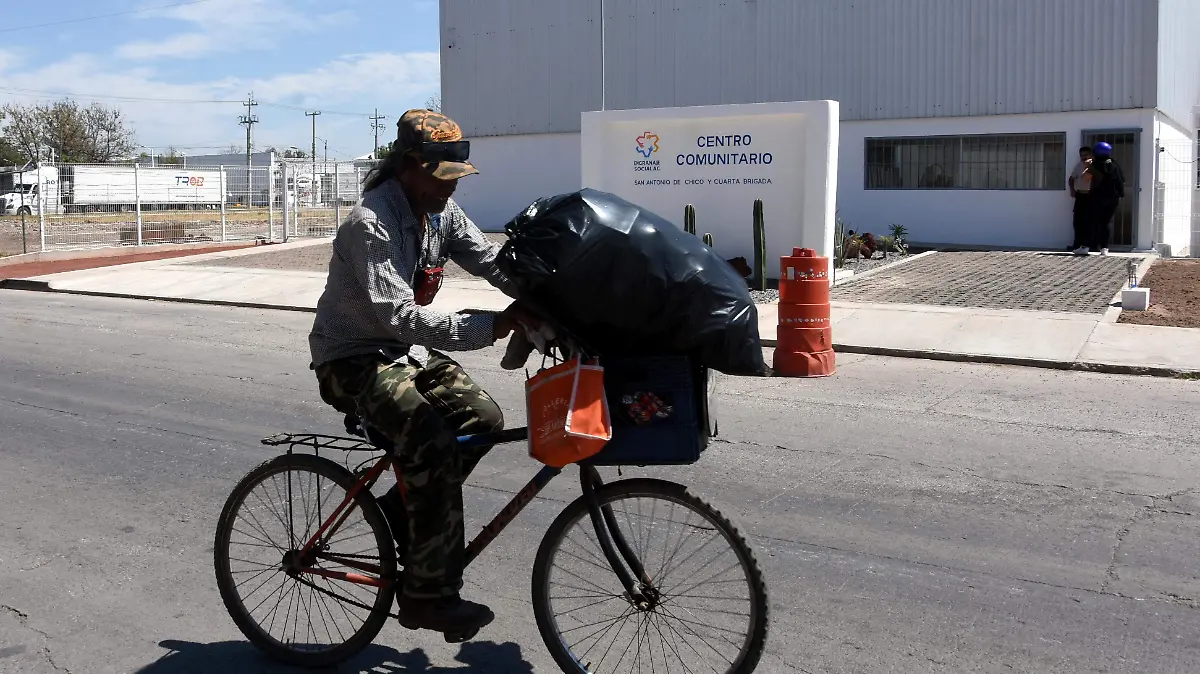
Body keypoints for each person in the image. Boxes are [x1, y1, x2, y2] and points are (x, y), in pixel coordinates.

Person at [307, 108, 542, 635]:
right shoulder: (370, 223)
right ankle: (426, 597)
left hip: (403, 353)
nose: (451, 188)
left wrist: (545, 298)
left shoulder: (441, 212)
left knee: (483, 420)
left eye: (457, 177)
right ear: (408, 166)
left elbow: (491, 263)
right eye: (442, 177)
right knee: (431, 441)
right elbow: (399, 315)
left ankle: (400, 508)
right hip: (351, 359)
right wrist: (495, 325)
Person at [1076, 141, 1125, 256]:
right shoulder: (1114, 163)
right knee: (1106, 222)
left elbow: (1085, 179)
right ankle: (1104, 248)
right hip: (1113, 198)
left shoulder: (1095, 165)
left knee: (1091, 221)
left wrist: (1087, 166)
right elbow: (1121, 179)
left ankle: (1085, 247)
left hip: (1097, 197)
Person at [1068, 146, 1093, 252]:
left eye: (1086, 155)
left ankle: (1089, 245)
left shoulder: (1095, 166)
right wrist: (1072, 190)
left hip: (1091, 196)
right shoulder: (1078, 166)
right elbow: (1071, 179)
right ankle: (1077, 245)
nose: (1083, 157)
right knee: (1078, 222)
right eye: (1081, 155)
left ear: (1091, 155)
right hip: (1080, 196)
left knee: (1090, 222)